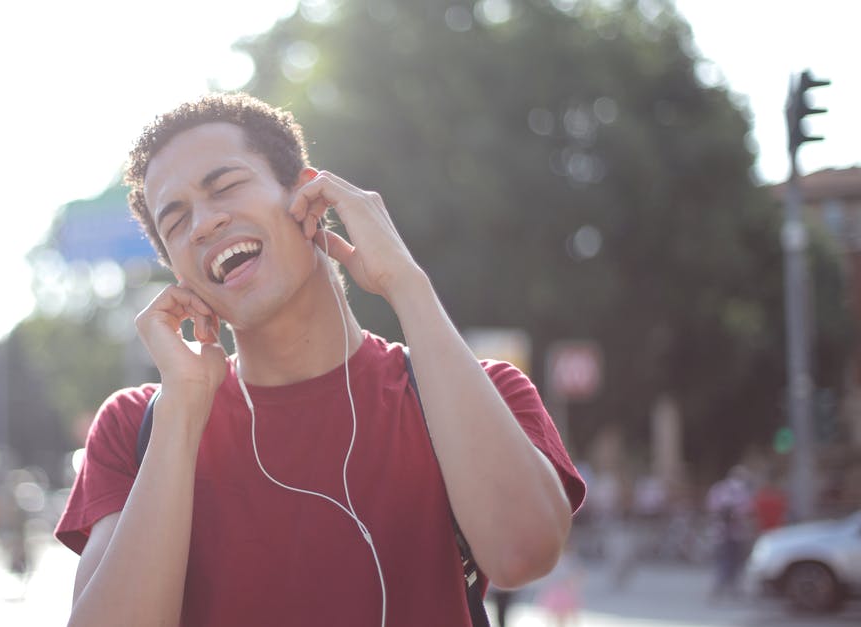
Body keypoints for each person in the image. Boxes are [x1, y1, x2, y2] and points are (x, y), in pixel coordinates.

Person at [55, 93, 587, 626]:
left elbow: (525, 552)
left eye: (226, 186)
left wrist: (406, 285)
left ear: (308, 195)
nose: (202, 224)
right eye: (176, 222)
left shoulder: (475, 393)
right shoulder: (137, 426)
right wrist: (181, 411)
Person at [705, 465, 753, 600]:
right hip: (736, 532)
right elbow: (747, 510)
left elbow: (711, 507)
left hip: (720, 531)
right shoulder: (742, 491)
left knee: (724, 559)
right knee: (733, 560)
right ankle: (730, 587)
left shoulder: (718, 489)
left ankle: (720, 587)